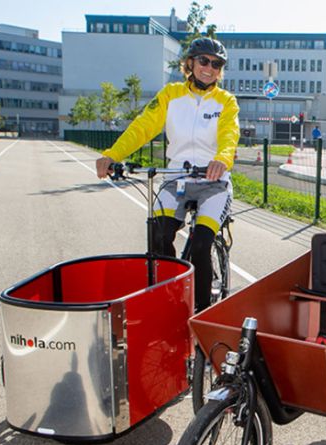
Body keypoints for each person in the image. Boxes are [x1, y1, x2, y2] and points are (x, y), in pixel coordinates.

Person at [95, 37, 240, 312]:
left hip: (214, 184)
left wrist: (222, 159)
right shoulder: (170, 95)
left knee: (200, 245)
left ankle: (202, 312)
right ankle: (173, 296)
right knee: (158, 236)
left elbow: (229, 135)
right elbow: (143, 127)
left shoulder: (226, 102)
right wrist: (113, 154)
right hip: (177, 180)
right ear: (190, 63)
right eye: (203, 61)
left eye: (216, 64)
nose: (209, 68)